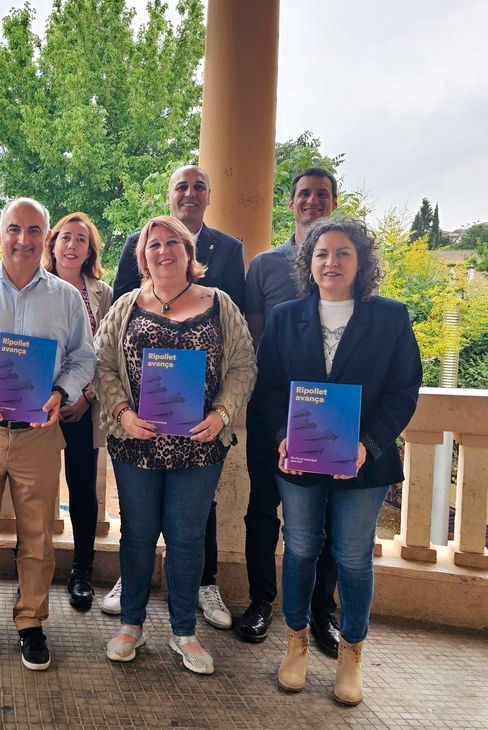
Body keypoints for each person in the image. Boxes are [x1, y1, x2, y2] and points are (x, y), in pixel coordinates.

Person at [254, 217, 420, 705]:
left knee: (352, 555)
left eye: (343, 252)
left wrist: (368, 443)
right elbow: (268, 389)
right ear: (308, 263)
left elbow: (403, 391)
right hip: (299, 460)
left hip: (364, 463)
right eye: (321, 253)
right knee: (301, 547)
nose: (331, 262)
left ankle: (351, 656)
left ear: (361, 261)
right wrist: (284, 437)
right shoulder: (285, 317)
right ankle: (296, 645)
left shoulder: (390, 317)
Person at [0, 197, 96, 671]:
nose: (23, 240)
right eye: (14, 229)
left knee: (37, 535)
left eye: (33, 231)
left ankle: (30, 621)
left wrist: (61, 392)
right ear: (0, 233)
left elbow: (83, 357)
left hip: (38, 434)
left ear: (45, 237)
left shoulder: (66, 298)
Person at [94, 215, 255, 674]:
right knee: (138, 535)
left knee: (186, 539)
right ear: (142, 258)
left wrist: (222, 414)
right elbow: (101, 364)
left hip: (198, 447)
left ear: (189, 252)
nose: (163, 251)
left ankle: (184, 632)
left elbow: (244, 366)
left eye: (172, 243)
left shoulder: (220, 304)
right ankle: (132, 625)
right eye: (153, 245)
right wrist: (122, 413)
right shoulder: (125, 305)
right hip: (136, 445)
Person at [238, 167, 342, 655]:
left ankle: (323, 612)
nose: (311, 201)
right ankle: (261, 601)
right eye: (303, 193)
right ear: (290, 202)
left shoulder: (347, 261)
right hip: (273, 407)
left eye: (322, 194)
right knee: (263, 508)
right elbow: (256, 338)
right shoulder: (264, 266)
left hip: (331, 413)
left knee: (329, 515)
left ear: (333, 202)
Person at [42, 212, 113, 610]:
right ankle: (30, 565)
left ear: (90, 250)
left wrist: (86, 396)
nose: (72, 245)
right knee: (34, 488)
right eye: (65, 237)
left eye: (81, 239)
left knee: (83, 488)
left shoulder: (102, 293)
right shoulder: (37, 285)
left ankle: (82, 570)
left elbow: (105, 352)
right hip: (40, 406)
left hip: (84, 407)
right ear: (53, 244)